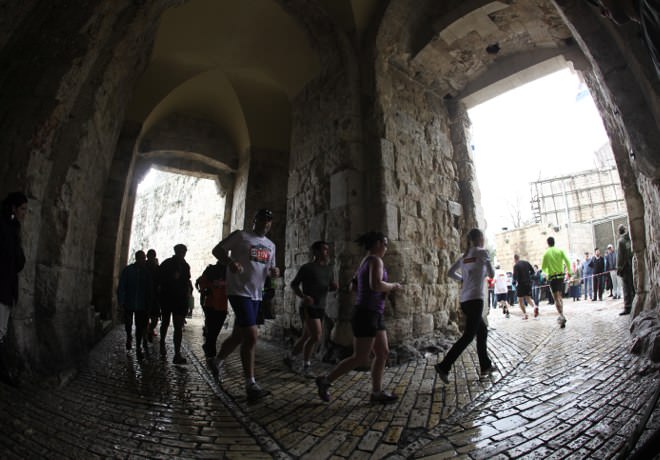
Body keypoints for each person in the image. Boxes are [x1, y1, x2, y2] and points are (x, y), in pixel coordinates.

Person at [315, 231, 401, 404]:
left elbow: (352, 287)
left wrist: (371, 295)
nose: (386, 247)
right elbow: (375, 285)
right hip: (367, 313)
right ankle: (326, 380)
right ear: (377, 244)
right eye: (384, 243)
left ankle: (376, 393)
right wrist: (393, 286)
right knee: (360, 357)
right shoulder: (375, 260)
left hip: (372, 313)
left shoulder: (365, 261)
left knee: (382, 353)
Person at [211, 209, 280, 401]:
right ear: (254, 220)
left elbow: (269, 270)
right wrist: (230, 262)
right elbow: (217, 250)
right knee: (251, 335)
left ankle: (216, 362)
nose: (265, 224)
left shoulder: (271, 245)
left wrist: (274, 273)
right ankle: (251, 384)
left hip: (257, 295)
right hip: (239, 291)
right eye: (262, 220)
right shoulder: (241, 236)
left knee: (238, 335)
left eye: (269, 221)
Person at [435, 228, 496, 384]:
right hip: (476, 299)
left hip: (465, 300)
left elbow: (450, 273)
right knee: (469, 336)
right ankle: (444, 366)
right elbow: (492, 274)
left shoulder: (464, 256)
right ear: (480, 239)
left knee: (482, 331)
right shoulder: (482, 253)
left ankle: (485, 366)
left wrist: (462, 279)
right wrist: (487, 261)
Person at [284, 240, 337, 377]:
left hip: (321, 306)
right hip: (308, 306)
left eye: (327, 249)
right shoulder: (307, 268)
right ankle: (306, 366)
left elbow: (328, 285)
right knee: (316, 336)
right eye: (324, 249)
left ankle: (290, 357)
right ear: (316, 252)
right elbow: (294, 284)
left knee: (306, 336)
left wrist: (333, 287)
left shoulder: (329, 269)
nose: (327, 252)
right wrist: (303, 296)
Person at [0, 192, 27, 386]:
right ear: (13, 209)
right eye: (23, 209)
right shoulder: (6, 229)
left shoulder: (11, 229)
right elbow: (13, 260)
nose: (25, 213)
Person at [159, 244, 192, 364]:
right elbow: (160, 279)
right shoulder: (166, 264)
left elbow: (187, 281)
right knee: (165, 322)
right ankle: (162, 342)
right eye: (181, 252)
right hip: (167, 298)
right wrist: (171, 278)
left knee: (178, 327)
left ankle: (177, 354)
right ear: (176, 252)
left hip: (179, 300)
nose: (183, 254)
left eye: (184, 252)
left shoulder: (185, 266)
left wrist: (187, 296)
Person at [117, 250, 153, 360]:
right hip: (129, 302)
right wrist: (121, 301)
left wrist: (149, 303)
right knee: (128, 323)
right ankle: (129, 336)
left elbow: (149, 289)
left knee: (139, 326)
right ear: (137, 258)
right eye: (141, 258)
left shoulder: (146, 273)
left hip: (141, 305)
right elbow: (122, 286)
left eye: (144, 258)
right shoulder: (128, 270)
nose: (143, 260)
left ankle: (138, 347)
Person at [195, 260, 228, 374]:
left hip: (222, 305)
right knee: (211, 330)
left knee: (215, 330)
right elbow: (201, 282)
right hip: (211, 304)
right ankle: (211, 354)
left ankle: (208, 348)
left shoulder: (229, 271)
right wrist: (209, 287)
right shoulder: (210, 270)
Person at [541, 237, 571, 328]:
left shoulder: (546, 253)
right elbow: (567, 261)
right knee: (560, 296)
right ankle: (562, 313)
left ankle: (561, 315)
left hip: (552, 277)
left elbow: (543, 268)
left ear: (548, 243)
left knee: (556, 297)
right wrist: (569, 271)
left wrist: (546, 274)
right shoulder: (560, 251)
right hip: (561, 276)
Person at [616, 224, 635, 315]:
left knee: (626, 288)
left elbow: (620, 256)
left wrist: (619, 268)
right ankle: (634, 304)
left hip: (625, 268)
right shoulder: (629, 239)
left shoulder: (621, 241)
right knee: (633, 286)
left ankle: (628, 307)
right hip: (631, 265)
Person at [513, 254, 537, 319]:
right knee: (528, 298)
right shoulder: (526, 263)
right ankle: (534, 306)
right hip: (528, 283)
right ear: (519, 257)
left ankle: (525, 314)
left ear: (515, 259)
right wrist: (528, 277)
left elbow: (514, 277)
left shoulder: (516, 265)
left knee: (520, 300)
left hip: (520, 284)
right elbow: (532, 272)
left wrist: (514, 282)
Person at [145, 249, 160, 344]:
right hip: (146, 295)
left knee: (154, 318)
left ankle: (149, 330)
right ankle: (147, 331)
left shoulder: (157, 268)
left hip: (154, 296)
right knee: (147, 317)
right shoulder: (143, 267)